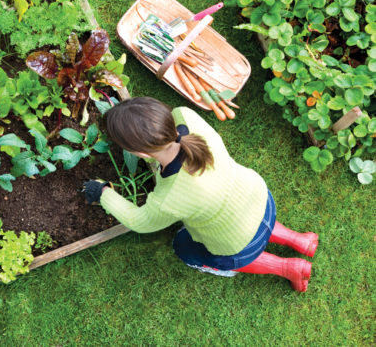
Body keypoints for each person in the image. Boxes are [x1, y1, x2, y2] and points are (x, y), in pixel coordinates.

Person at [82, 97, 318, 292]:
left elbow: (139, 221)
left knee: (183, 247)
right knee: (249, 219)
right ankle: (300, 240)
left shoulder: (170, 197)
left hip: (238, 242)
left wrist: (102, 193)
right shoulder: (186, 117)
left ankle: (288, 268)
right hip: (259, 198)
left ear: (142, 153)